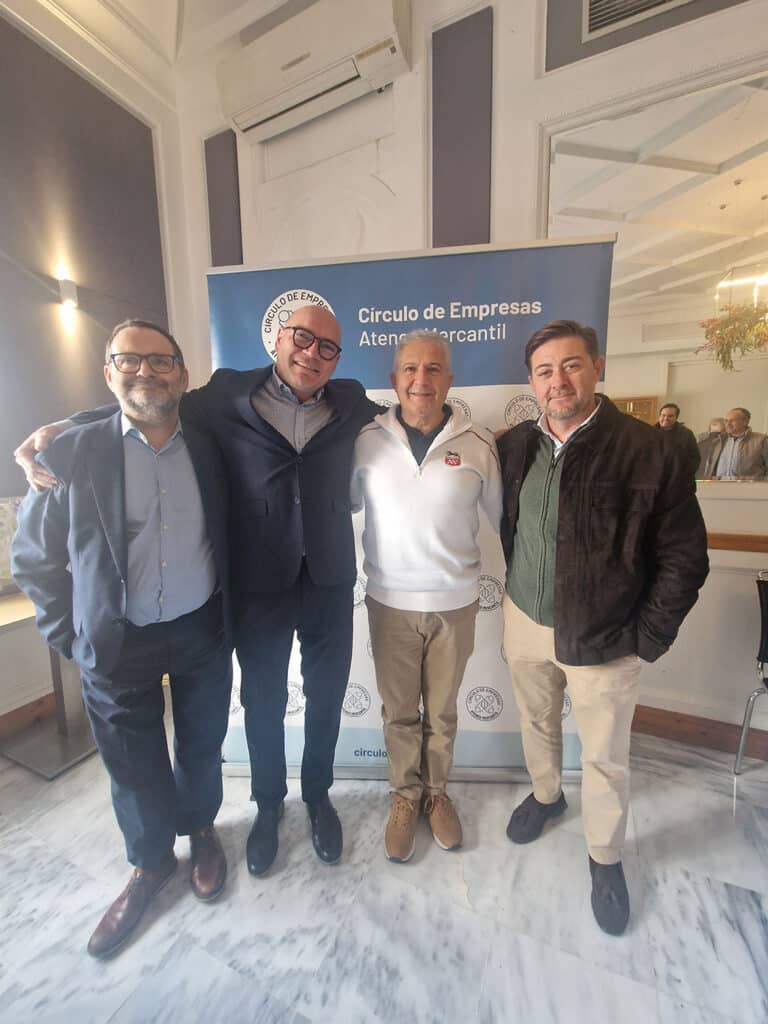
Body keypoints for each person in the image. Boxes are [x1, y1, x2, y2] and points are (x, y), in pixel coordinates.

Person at [14, 305, 381, 877]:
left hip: (330, 580)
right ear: (279, 339)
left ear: (337, 360)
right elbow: (147, 401)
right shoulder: (226, 394)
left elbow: (409, 414)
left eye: (327, 347)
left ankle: (317, 796)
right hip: (259, 583)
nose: (312, 353)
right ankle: (267, 806)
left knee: (327, 698)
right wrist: (62, 427)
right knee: (262, 703)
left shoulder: (351, 399)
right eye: (302, 338)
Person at [11, 320, 233, 959]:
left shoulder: (212, 443)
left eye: (160, 361)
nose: (145, 372)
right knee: (132, 765)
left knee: (201, 745)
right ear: (108, 373)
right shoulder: (71, 454)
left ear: (182, 375)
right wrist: (71, 635)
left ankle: (201, 830)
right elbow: (34, 559)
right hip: (115, 641)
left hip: (201, 626)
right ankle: (150, 863)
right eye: (128, 361)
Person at [497, 319, 708, 936]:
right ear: (532, 383)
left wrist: (648, 636)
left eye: (571, 365)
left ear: (598, 367)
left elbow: (684, 557)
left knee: (605, 756)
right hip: (524, 618)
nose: (558, 380)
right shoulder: (515, 446)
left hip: (606, 635)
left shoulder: (650, 450)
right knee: (535, 723)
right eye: (545, 371)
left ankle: (605, 856)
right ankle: (546, 796)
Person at [351, 331, 502, 862]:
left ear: (449, 379)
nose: (422, 379)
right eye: (411, 369)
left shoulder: (479, 444)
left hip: (455, 605)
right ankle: (404, 796)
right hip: (389, 602)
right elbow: (342, 506)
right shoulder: (365, 440)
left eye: (434, 369)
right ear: (394, 380)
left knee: (441, 712)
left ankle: (436, 794)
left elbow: (505, 521)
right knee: (399, 713)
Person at [697, 407, 768, 479]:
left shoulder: (762, 441)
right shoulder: (719, 441)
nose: (728, 424)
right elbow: (709, 468)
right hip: (719, 484)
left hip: (749, 485)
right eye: (726, 421)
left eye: (732, 421)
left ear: (745, 422)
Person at [654, 402, 700, 480]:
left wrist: (683, 475)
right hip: (655, 481)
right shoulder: (650, 433)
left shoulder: (686, 434)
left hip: (679, 482)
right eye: (663, 415)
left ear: (676, 418)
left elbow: (695, 458)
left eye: (670, 416)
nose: (666, 418)